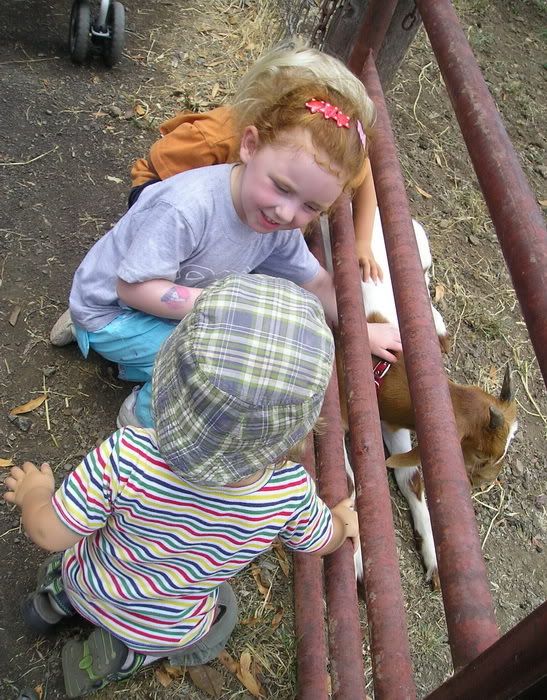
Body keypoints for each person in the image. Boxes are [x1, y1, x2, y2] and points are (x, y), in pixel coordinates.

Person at [4, 274, 359, 699]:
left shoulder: (127, 455)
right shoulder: (289, 495)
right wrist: (342, 521)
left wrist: (35, 494)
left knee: (75, 566)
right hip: (159, 626)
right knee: (223, 615)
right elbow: (321, 541)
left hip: (90, 582)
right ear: (299, 426)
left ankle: (54, 600)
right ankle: (118, 656)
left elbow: (49, 532)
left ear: (170, 376)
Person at [50, 72, 402, 428]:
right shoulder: (188, 208)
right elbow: (132, 288)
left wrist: (359, 330)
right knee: (215, 360)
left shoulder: (273, 224)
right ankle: (141, 416)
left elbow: (316, 282)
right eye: (281, 187)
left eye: (311, 207)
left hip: (149, 295)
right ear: (250, 145)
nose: (286, 212)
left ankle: (98, 336)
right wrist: (223, 306)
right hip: (113, 307)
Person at [129, 39, 384, 282]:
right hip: (173, 206)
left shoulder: (325, 157)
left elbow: (363, 172)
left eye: (311, 205)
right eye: (282, 186)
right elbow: (156, 178)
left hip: (253, 215)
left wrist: (362, 242)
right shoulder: (213, 138)